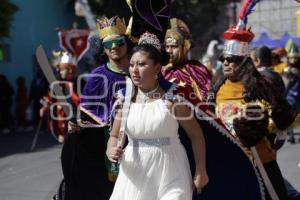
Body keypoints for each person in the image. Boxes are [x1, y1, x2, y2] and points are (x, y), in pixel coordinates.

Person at [208, 12, 300, 199]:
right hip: (229, 159)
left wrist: (261, 126)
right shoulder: (216, 86)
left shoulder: (260, 84)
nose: (225, 63)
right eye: (223, 59)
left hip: (260, 159)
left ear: (243, 61)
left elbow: (284, 118)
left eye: (231, 59)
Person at [107, 33, 209, 200]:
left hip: (172, 170)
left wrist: (200, 170)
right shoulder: (125, 102)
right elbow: (114, 136)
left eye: (141, 64)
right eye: (132, 65)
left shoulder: (173, 101)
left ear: (156, 68)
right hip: (134, 174)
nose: (134, 70)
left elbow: (196, 136)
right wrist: (110, 150)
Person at [60, 16, 133, 200]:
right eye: (108, 44)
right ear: (103, 48)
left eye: (119, 41)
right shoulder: (97, 76)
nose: (114, 46)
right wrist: (75, 126)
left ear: (127, 43)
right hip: (106, 144)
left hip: (141, 139)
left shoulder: (139, 69)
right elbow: (87, 113)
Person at [162, 18, 211, 101]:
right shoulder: (160, 71)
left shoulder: (197, 70)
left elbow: (204, 100)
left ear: (184, 47)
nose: (169, 51)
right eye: (167, 47)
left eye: (174, 46)